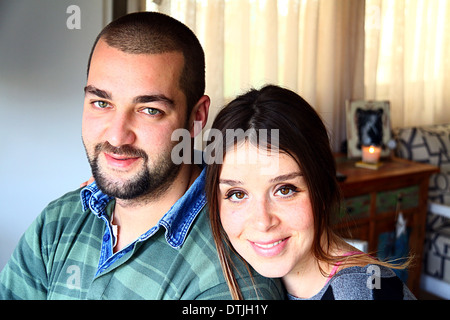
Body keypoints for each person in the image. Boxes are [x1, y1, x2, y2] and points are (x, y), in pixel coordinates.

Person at [0, 12, 284, 300]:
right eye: (101, 102)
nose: (117, 137)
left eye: (149, 110)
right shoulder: (59, 221)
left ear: (197, 118)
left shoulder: (228, 279)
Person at [205, 84, 416, 300]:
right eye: (237, 194)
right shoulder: (253, 279)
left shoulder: (358, 292)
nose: (262, 222)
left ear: (321, 187)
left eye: (284, 190)